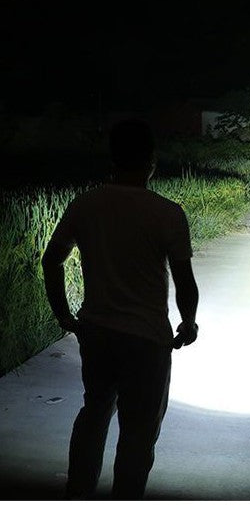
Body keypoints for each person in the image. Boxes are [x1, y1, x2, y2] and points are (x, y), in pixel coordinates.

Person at [42, 118, 199, 499]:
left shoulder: (86, 204)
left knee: (94, 413)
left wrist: (64, 315)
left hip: (97, 333)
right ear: (151, 161)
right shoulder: (167, 212)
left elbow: (52, 260)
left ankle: (79, 492)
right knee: (139, 431)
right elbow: (184, 280)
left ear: (112, 158)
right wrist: (188, 322)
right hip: (147, 338)